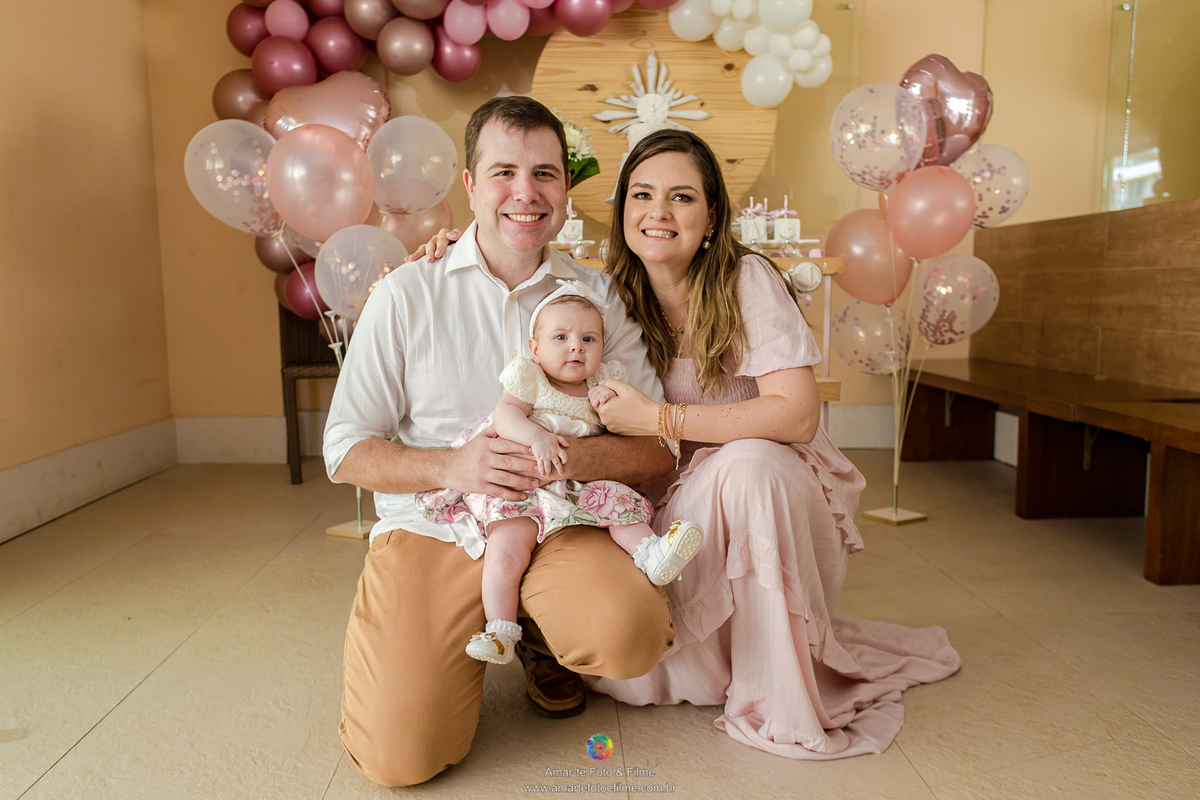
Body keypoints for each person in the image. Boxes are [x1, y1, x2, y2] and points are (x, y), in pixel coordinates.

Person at [415, 128, 962, 760]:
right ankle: (686, 647)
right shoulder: (610, 295)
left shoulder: (745, 277)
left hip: (771, 490)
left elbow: (797, 416)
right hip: (672, 501)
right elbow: (525, 283)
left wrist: (661, 418)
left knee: (747, 464)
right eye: (642, 195)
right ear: (621, 212)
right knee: (628, 664)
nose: (658, 213)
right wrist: (454, 243)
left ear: (710, 218)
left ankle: (776, 689)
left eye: (681, 198)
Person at [322, 97, 677, 788]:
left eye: (545, 174)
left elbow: (661, 446)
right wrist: (454, 465)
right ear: (470, 184)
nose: (526, 192)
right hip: (439, 525)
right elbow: (345, 449)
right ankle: (434, 639)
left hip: (565, 517)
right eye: (504, 171)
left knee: (627, 633)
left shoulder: (600, 301)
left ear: (565, 192)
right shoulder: (407, 295)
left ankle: (540, 630)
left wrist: (567, 457)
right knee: (401, 759)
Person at [413, 280, 705, 665]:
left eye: (588, 339)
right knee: (507, 550)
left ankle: (651, 553)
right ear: (535, 349)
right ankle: (500, 630)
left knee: (620, 507)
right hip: (524, 486)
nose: (576, 347)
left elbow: (628, 436)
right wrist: (535, 435)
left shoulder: (604, 383)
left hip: (579, 484)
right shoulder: (531, 379)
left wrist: (609, 408)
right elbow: (505, 415)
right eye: (561, 337)